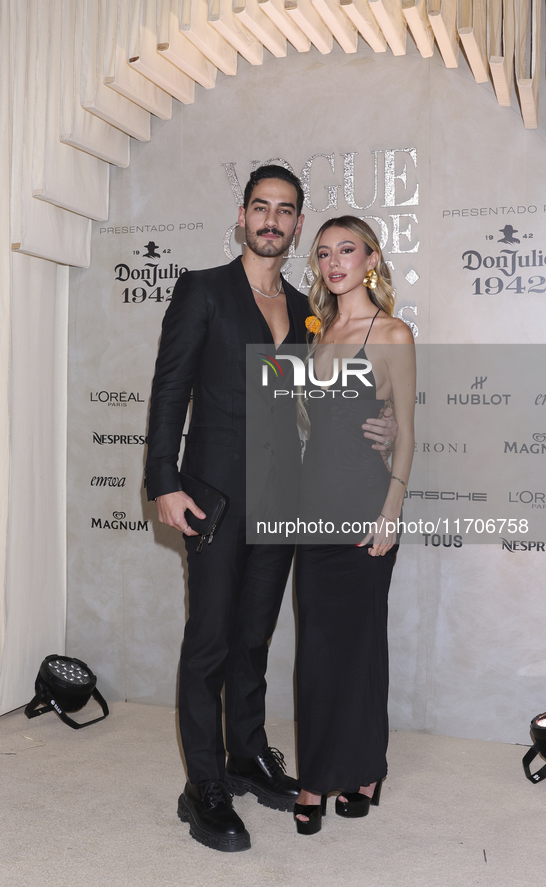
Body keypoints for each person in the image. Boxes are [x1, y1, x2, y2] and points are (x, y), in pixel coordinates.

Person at [145, 170, 397, 852]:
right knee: (210, 642)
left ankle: (246, 753)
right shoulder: (203, 289)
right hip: (215, 495)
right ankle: (204, 785)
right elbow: (169, 388)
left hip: (286, 497)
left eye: (285, 212)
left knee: (253, 637)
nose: (271, 220)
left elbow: (339, 395)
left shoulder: (303, 307)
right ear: (242, 214)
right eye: (261, 206)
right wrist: (162, 479)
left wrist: (386, 428)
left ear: (295, 226)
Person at [292, 216, 415, 836]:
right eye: (323, 253)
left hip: (370, 504)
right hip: (315, 505)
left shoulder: (391, 333)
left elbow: (407, 432)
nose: (334, 261)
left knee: (362, 641)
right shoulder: (314, 335)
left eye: (346, 250)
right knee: (315, 643)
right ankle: (314, 773)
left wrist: (391, 509)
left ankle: (366, 769)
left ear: (370, 258)